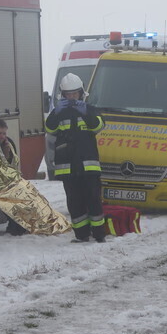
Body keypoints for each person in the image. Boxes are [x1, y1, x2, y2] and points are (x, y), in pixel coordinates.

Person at [45, 73, 106, 243]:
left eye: (75, 94)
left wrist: (86, 112)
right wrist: (56, 112)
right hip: (68, 167)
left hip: (89, 166)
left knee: (93, 200)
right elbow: (49, 128)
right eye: (68, 94)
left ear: (81, 93)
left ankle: (99, 234)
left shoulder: (90, 109)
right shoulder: (59, 113)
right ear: (62, 95)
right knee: (75, 203)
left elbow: (99, 126)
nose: (72, 97)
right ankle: (81, 235)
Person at [0, 119, 28, 235]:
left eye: (4, 133)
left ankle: (19, 225)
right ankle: (16, 226)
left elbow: (12, 166)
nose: (2, 136)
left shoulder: (7, 144)